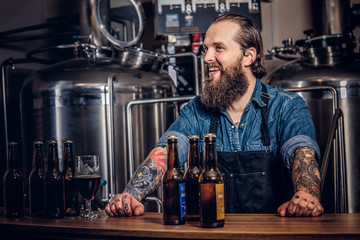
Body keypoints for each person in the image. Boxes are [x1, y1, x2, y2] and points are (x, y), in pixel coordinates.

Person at [105, 13, 324, 217]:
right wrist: (131, 195)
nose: (207, 57)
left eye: (219, 48)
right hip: (210, 232)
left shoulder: (286, 106)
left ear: (248, 56)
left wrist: (306, 194)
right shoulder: (196, 110)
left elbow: (301, 152)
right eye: (206, 49)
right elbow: (165, 153)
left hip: (271, 235)